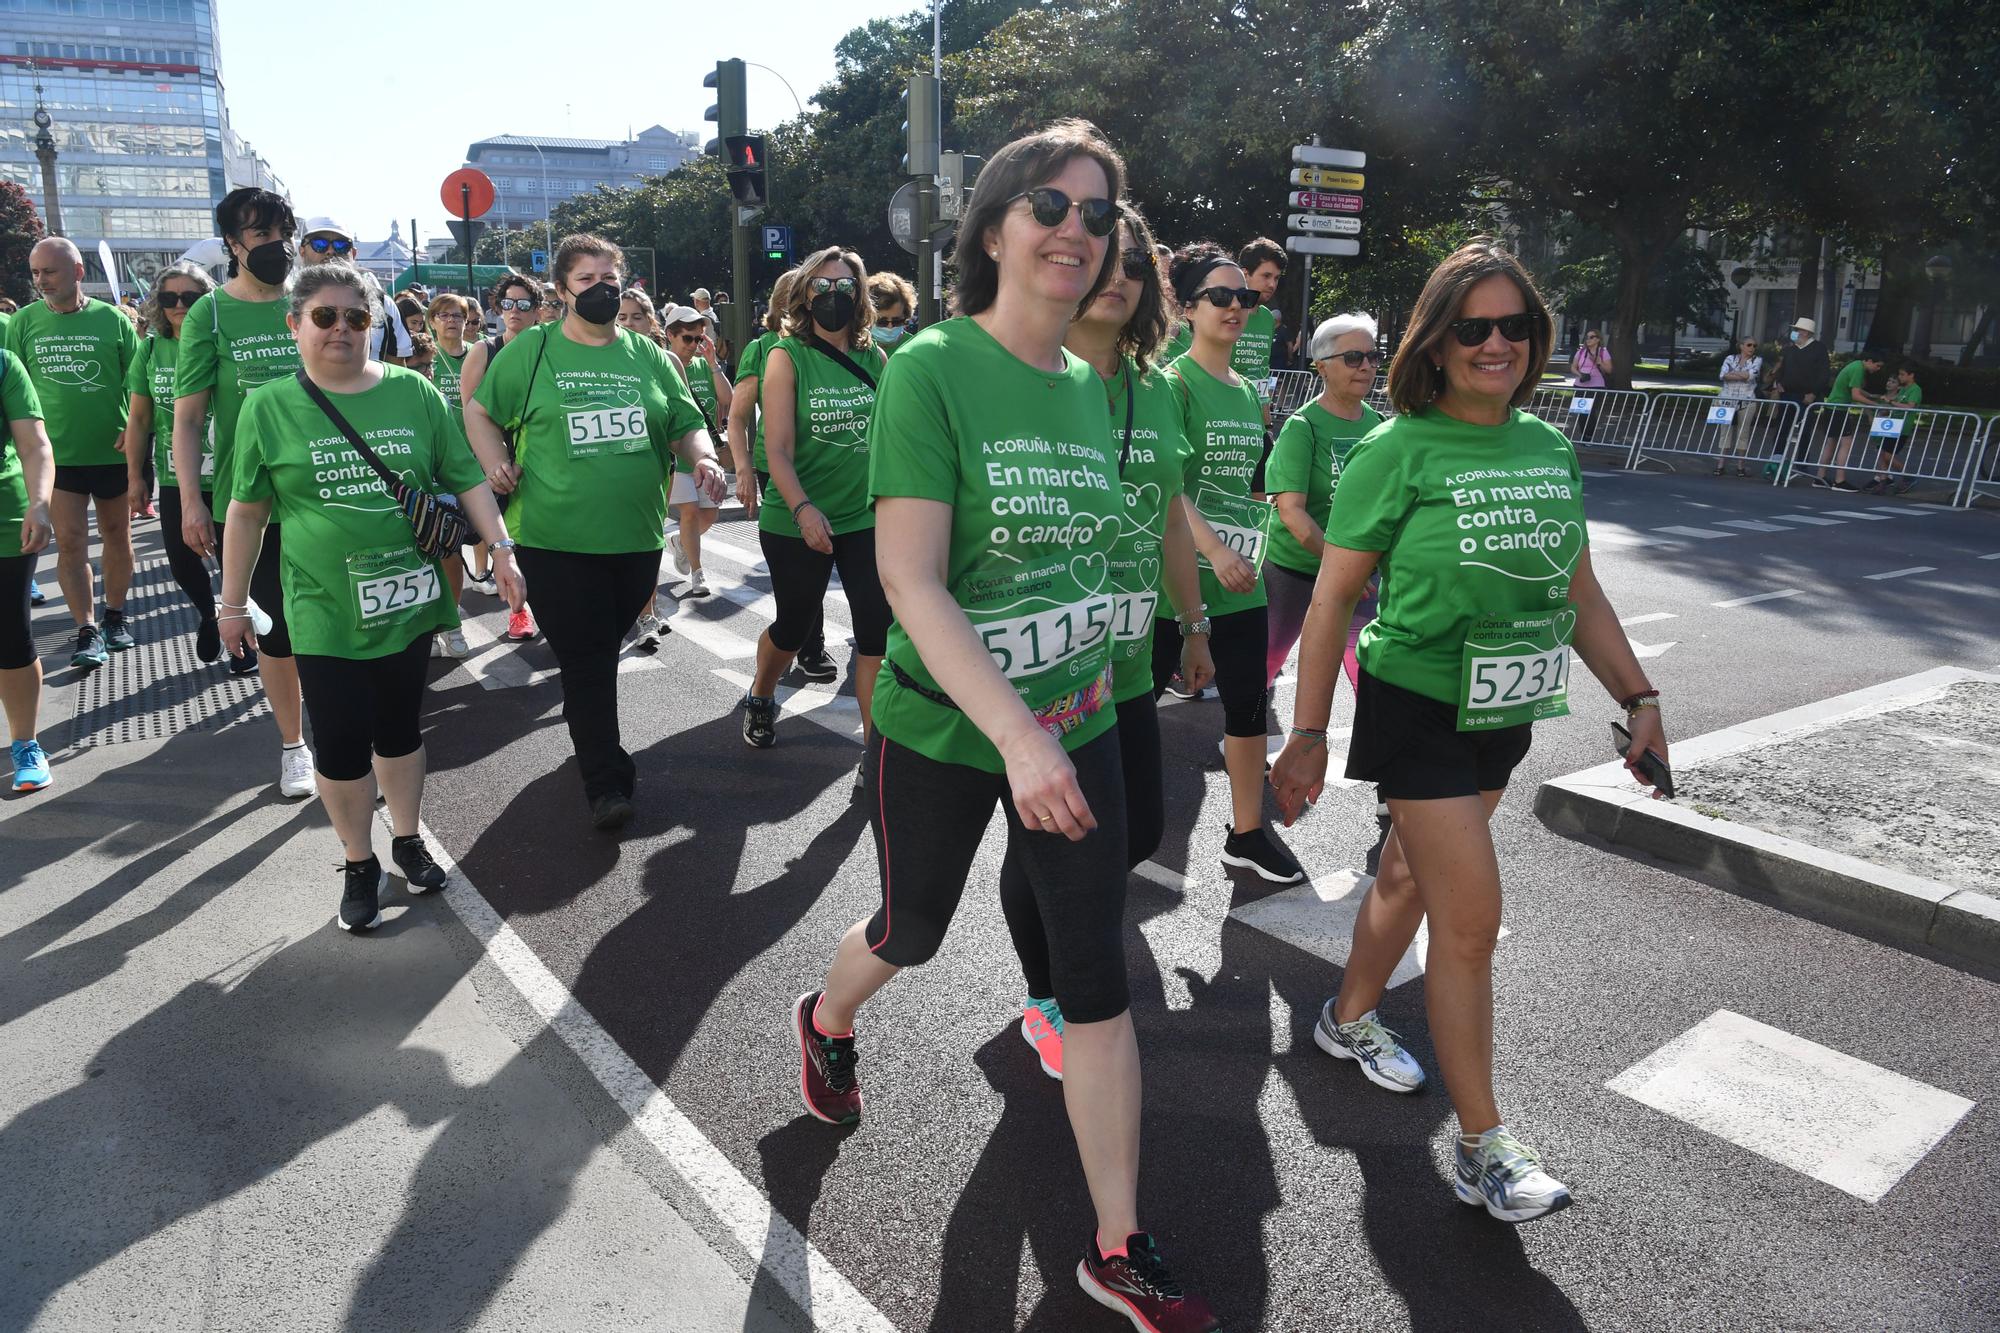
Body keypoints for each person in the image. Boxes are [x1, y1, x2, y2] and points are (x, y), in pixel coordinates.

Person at [792, 121, 1218, 1333]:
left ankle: (1118, 1245)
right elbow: (911, 581)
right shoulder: (929, 367)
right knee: (911, 930)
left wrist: (1122, 676)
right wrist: (1016, 740)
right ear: (991, 228)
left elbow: (1104, 552)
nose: (1076, 230)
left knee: (1095, 982)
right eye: (1049, 205)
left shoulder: (1094, 387)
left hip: (1074, 722)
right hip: (944, 732)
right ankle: (825, 1021)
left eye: (1098, 213)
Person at [1270, 238, 1671, 1224]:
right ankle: (1483, 1146)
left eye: (1515, 326)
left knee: (1406, 876)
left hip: (1506, 712)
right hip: (1418, 709)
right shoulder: (1394, 449)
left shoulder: (1545, 447)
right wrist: (1309, 732)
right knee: (1468, 922)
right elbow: (1327, 606)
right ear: (1437, 342)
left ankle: (1345, 1013)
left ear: (1536, 341)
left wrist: (1639, 696)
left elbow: (1575, 589)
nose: (1495, 343)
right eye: (1472, 327)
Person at [220, 261, 520, 931]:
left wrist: (500, 549)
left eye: (356, 317)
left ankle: (407, 841)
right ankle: (360, 863)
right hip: (323, 604)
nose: (340, 330)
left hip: (408, 598)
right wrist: (232, 602)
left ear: (373, 325)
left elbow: (466, 475)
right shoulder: (269, 406)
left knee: (399, 729)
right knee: (342, 742)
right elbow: (246, 512)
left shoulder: (414, 392)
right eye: (323, 317)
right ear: (294, 324)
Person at [998, 201, 1212, 1083]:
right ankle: (1046, 995)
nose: (1118, 278)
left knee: (1135, 833)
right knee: (1052, 837)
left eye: (1137, 266)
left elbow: (1169, 513)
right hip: (1044, 657)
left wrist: (1192, 624)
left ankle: (1065, 954)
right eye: (1106, 260)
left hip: (1133, 651)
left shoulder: (1158, 385)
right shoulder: (1020, 375)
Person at [466, 233, 727, 829]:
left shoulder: (646, 353)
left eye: (612, 278)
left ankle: (592, 739)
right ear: (561, 291)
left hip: (634, 540)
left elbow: (685, 421)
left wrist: (704, 459)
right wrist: (491, 459)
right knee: (586, 660)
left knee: (601, 652)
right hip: (553, 540)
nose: (603, 289)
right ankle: (606, 781)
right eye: (587, 280)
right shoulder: (532, 350)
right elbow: (480, 411)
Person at [1159, 241, 1306, 885]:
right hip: (1177, 580)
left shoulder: (1248, 391)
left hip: (1241, 578)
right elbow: (1167, 486)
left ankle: (1248, 831)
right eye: (1220, 297)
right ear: (1187, 308)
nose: (1236, 307)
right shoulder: (1171, 383)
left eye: (1244, 296)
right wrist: (1212, 550)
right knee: (1131, 717)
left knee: (1247, 706)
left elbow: (1243, 483)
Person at [174, 186, 317, 797]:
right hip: (253, 503)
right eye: (260, 236)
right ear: (232, 245)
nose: (274, 247)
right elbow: (186, 419)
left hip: (331, 490)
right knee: (278, 632)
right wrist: (191, 499)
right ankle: (295, 746)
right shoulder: (209, 315)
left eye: (282, 233)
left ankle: (351, 740)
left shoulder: (314, 300)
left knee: (345, 622)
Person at [739, 247, 890, 749]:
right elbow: (777, 450)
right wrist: (804, 509)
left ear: (860, 293)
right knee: (795, 626)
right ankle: (762, 691)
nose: (833, 296)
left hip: (864, 519)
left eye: (844, 287)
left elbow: (890, 438)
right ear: (805, 295)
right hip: (795, 517)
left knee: (876, 632)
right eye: (822, 287)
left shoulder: (875, 357)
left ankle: (874, 751)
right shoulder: (785, 356)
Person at [6, 237, 141, 667]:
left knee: (117, 536)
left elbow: (139, 384)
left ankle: (115, 616)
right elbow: (12, 392)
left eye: (50, 272)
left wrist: (134, 429)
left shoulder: (114, 321)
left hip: (112, 453)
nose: (41, 281)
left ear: (79, 272)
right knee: (70, 543)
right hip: (57, 458)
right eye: (35, 273)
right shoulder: (22, 322)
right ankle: (86, 629)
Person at [725, 269, 839, 684]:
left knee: (824, 560)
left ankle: (810, 643)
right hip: (778, 469)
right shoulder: (764, 348)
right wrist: (742, 470)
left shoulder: (845, 346)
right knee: (804, 570)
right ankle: (804, 645)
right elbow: (737, 417)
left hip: (839, 473)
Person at [1263, 314, 1385, 689]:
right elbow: (1291, 512)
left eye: (1373, 355)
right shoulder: (1304, 426)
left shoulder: (1380, 424)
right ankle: (1238, 740)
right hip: (1295, 569)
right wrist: (1341, 563)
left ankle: (1373, 745)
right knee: (1267, 660)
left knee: (1367, 663)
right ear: (1322, 368)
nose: (1365, 365)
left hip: (1361, 571)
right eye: (1353, 358)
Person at [122, 261, 220, 657]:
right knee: (182, 563)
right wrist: (135, 476)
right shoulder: (150, 348)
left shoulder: (221, 343)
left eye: (189, 297)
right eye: (168, 297)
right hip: (176, 476)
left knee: (239, 564)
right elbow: (139, 418)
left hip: (231, 473)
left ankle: (241, 630)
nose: (179, 305)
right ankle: (209, 613)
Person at [458, 271, 544, 639]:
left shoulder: (547, 352)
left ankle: (545, 605)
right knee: (507, 539)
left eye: (524, 304)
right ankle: (517, 611)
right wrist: (492, 463)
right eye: (507, 303)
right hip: (496, 464)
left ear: (537, 311)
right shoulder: (485, 350)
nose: (515, 311)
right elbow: (470, 413)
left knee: (539, 537)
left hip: (537, 461)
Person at [2, 342, 57, 791]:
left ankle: (25, 743)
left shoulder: (3, 362)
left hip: (3, 522)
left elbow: (35, 444)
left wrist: (39, 504)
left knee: (10, 635)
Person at [662, 302, 731, 600]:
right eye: (687, 338)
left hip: (705, 456)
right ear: (670, 336)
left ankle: (679, 542)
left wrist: (714, 363)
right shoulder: (661, 366)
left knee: (709, 514)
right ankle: (697, 573)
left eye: (698, 338)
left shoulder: (705, 365)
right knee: (689, 511)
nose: (693, 344)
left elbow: (728, 398)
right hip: (677, 457)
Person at [298, 217, 415, 363]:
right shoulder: (289, 302)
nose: (331, 251)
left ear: (353, 254)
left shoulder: (382, 303)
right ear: (302, 251)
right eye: (319, 244)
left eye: (341, 245)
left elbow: (397, 371)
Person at [1813, 349, 1887, 491]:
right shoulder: (1858, 369)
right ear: (1869, 361)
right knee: (1846, 442)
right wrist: (1876, 405)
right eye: (1877, 365)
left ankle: (1820, 477)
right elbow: (1856, 395)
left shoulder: (1855, 366)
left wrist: (1870, 396)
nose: (1878, 369)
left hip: (1833, 407)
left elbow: (1854, 389)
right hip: (1838, 409)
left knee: (1831, 443)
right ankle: (1839, 480)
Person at [1774, 316, 1832, 470]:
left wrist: (1813, 392)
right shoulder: (1789, 349)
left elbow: (1824, 374)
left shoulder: (1819, 348)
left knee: (1804, 429)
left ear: (1805, 332)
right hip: (1787, 394)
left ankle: (1801, 461)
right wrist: (1778, 382)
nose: (1796, 333)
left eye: (1798, 330)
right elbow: (1781, 368)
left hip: (1806, 396)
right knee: (1782, 427)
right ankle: (1777, 458)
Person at [1863, 360, 1924, 494]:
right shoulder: (1904, 389)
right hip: (1891, 425)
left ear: (1911, 375)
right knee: (1882, 452)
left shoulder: (1915, 389)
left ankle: (1908, 476)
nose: (1900, 377)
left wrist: (1891, 402)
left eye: (1902, 375)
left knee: (1888, 455)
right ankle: (1883, 480)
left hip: (1902, 427)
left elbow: (1910, 406)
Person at [1715, 336, 1761, 476]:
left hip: (1746, 400)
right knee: (1724, 432)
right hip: (1726, 399)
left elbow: (1751, 376)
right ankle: (1720, 464)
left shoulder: (1757, 360)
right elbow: (1722, 375)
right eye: (1749, 345)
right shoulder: (1730, 358)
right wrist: (1742, 374)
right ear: (1741, 346)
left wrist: (1734, 373)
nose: (1752, 348)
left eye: (1754, 346)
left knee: (1743, 432)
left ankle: (1740, 466)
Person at [1569, 329, 1611, 443]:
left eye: (1591, 337)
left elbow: (1609, 370)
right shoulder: (1581, 352)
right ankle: (1583, 435)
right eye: (1587, 337)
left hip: (1596, 385)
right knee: (1581, 411)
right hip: (1580, 384)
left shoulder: (1603, 352)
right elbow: (1573, 367)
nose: (1588, 339)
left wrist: (1599, 362)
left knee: (1591, 412)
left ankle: (1588, 437)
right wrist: (1580, 374)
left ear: (1598, 339)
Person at [867, 271, 916, 355]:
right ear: (866, 317)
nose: (890, 327)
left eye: (897, 321)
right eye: (882, 322)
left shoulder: (914, 349)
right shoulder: (855, 350)